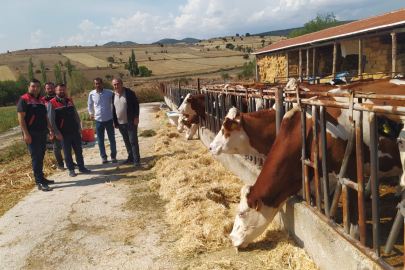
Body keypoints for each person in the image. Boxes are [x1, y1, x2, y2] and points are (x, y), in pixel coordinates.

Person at [17, 79, 54, 191]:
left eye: (37, 86)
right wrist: (26, 134)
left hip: (42, 132)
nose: (35, 88)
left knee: (41, 155)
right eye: (33, 86)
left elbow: (45, 117)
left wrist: (50, 129)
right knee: (36, 157)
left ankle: (42, 178)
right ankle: (39, 182)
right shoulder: (24, 100)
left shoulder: (41, 100)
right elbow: (21, 118)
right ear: (28, 87)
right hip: (31, 134)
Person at [47, 83, 91, 177]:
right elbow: (51, 120)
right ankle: (71, 169)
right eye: (60, 90)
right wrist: (57, 132)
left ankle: (81, 167)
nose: (62, 91)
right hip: (63, 133)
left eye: (63, 90)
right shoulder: (52, 103)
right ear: (56, 91)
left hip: (74, 130)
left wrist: (79, 127)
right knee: (67, 152)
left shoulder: (70, 100)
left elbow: (76, 115)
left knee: (79, 150)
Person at [111, 78, 141, 166]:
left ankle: (136, 160)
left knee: (133, 141)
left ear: (122, 84)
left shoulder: (129, 93)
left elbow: (136, 105)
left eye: (118, 84)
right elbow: (114, 109)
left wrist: (136, 117)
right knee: (126, 141)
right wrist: (114, 121)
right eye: (114, 85)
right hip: (120, 123)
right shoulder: (113, 95)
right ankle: (130, 158)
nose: (116, 86)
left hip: (130, 122)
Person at [87, 78, 117, 164]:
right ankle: (103, 157)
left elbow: (115, 103)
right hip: (98, 120)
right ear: (94, 85)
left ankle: (113, 156)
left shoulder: (109, 93)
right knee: (100, 140)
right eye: (96, 84)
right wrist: (90, 113)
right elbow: (89, 104)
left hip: (109, 119)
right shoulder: (91, 94)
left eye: (99, 83)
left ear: (102, 83)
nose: (98, 85)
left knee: (112, 139)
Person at [41, 82, 65, 171]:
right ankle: (60, 164)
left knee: (67, 144)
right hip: (52, 126)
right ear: (45, 90)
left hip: (63, 125)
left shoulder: (60, 97)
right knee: (56, 146)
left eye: (52, 88)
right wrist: (50, 128)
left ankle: (70, 161)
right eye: (48, 88)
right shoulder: (42, 101)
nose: (50, 90)